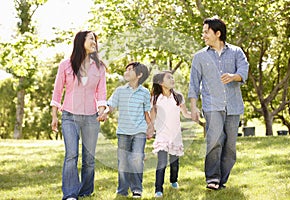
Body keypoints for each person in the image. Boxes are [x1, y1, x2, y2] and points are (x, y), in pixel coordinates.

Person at [188, 17, 249, 190]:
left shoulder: (236, 52)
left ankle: (222, 179)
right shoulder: (199, 57)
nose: (204, 35)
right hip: (212, 105)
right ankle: (212, 179)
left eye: (206, 32)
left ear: (218, 33)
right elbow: (193, 83)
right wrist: (193, 107)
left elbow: (243, 71)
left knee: (230, 146)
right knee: (214, 141)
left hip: (233, 105)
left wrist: (233, 77)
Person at [51, 31, 107, 200]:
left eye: (95, 40)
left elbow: (102, 91)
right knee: (71, 155)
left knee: (89, 158)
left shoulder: (100, 67)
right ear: (81, 41)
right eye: (91, 38)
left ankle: (86, 191)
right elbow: (57, 91)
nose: (94, 42)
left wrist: (102, 109)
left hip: (91, 117)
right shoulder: (66, 65)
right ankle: (70, 194)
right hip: (69, 116)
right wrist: (54, 115)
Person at [101, 62, 152, 198]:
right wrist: (105, 112)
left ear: (139, 75)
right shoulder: (119, 91)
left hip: (139, 130)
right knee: (123, 161)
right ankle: (122, 189)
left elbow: (147, 112)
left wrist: (150, 128)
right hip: (123, 131)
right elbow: (110, 105)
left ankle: (137, 188)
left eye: (130, 70)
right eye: (126, 69)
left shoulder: (145, 92)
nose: (127, 71)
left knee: (136, 158)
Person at [148, 71, 191, 198]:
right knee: (161, 162)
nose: (172, 79)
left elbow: (185, 113)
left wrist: (193, 115)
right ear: (161, 83)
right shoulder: (155, 98)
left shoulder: (178, 97)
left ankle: (173, 180)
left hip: (175, 135)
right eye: (169, 78)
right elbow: (152, 116)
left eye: (172, 77)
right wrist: (149, 128)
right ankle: (158, 189)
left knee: (174, 163)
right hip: (162, 134)